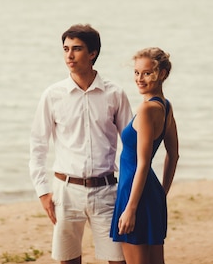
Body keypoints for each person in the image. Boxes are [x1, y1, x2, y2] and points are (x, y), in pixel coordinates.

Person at [29, 24, 133, 264]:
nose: (69, 55)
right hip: (66, 191)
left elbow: (131, 147)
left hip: (107, 190)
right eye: (65, 49)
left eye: (76, 49)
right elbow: (38, 145)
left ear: (93, 53)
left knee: (118, 259)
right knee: (68, 260)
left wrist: (129, 192)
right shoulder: (53, 95)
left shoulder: (115, 94)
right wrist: (43, 191)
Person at [110, 47, 180, 264]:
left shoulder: (148, 110)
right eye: (137, 72)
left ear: (163, 74)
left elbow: (142, 164)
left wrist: (130, 208)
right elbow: (174, 155)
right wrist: (161, 193)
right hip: (149, 193)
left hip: (134, 193)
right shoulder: (166, 107)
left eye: (147, 73)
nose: (140, 79)